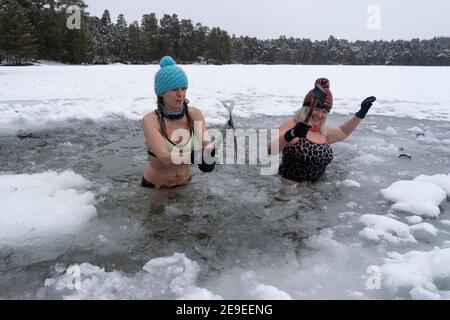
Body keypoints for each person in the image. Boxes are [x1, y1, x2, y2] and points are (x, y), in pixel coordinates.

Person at [268, 77, 376, 185]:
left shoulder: (322, 131)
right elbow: (270, 150)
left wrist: (360, 114)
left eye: (324, 111)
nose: (320, 115)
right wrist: (290, 134)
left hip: (315, 192)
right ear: (306, 108)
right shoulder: (292, 125)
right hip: (288, 193)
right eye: (316, 109)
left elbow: (343, 132)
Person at [141, 56, 216, 188]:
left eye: (183, 88)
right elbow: (164, 156)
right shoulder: (151, 120)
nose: (181, 94)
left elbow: (206, 142)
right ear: (161, 93)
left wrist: (209, 155)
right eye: (175, 89)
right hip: (156, 187)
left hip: (185, 183)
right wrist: (194, 156)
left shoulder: (194, 114)